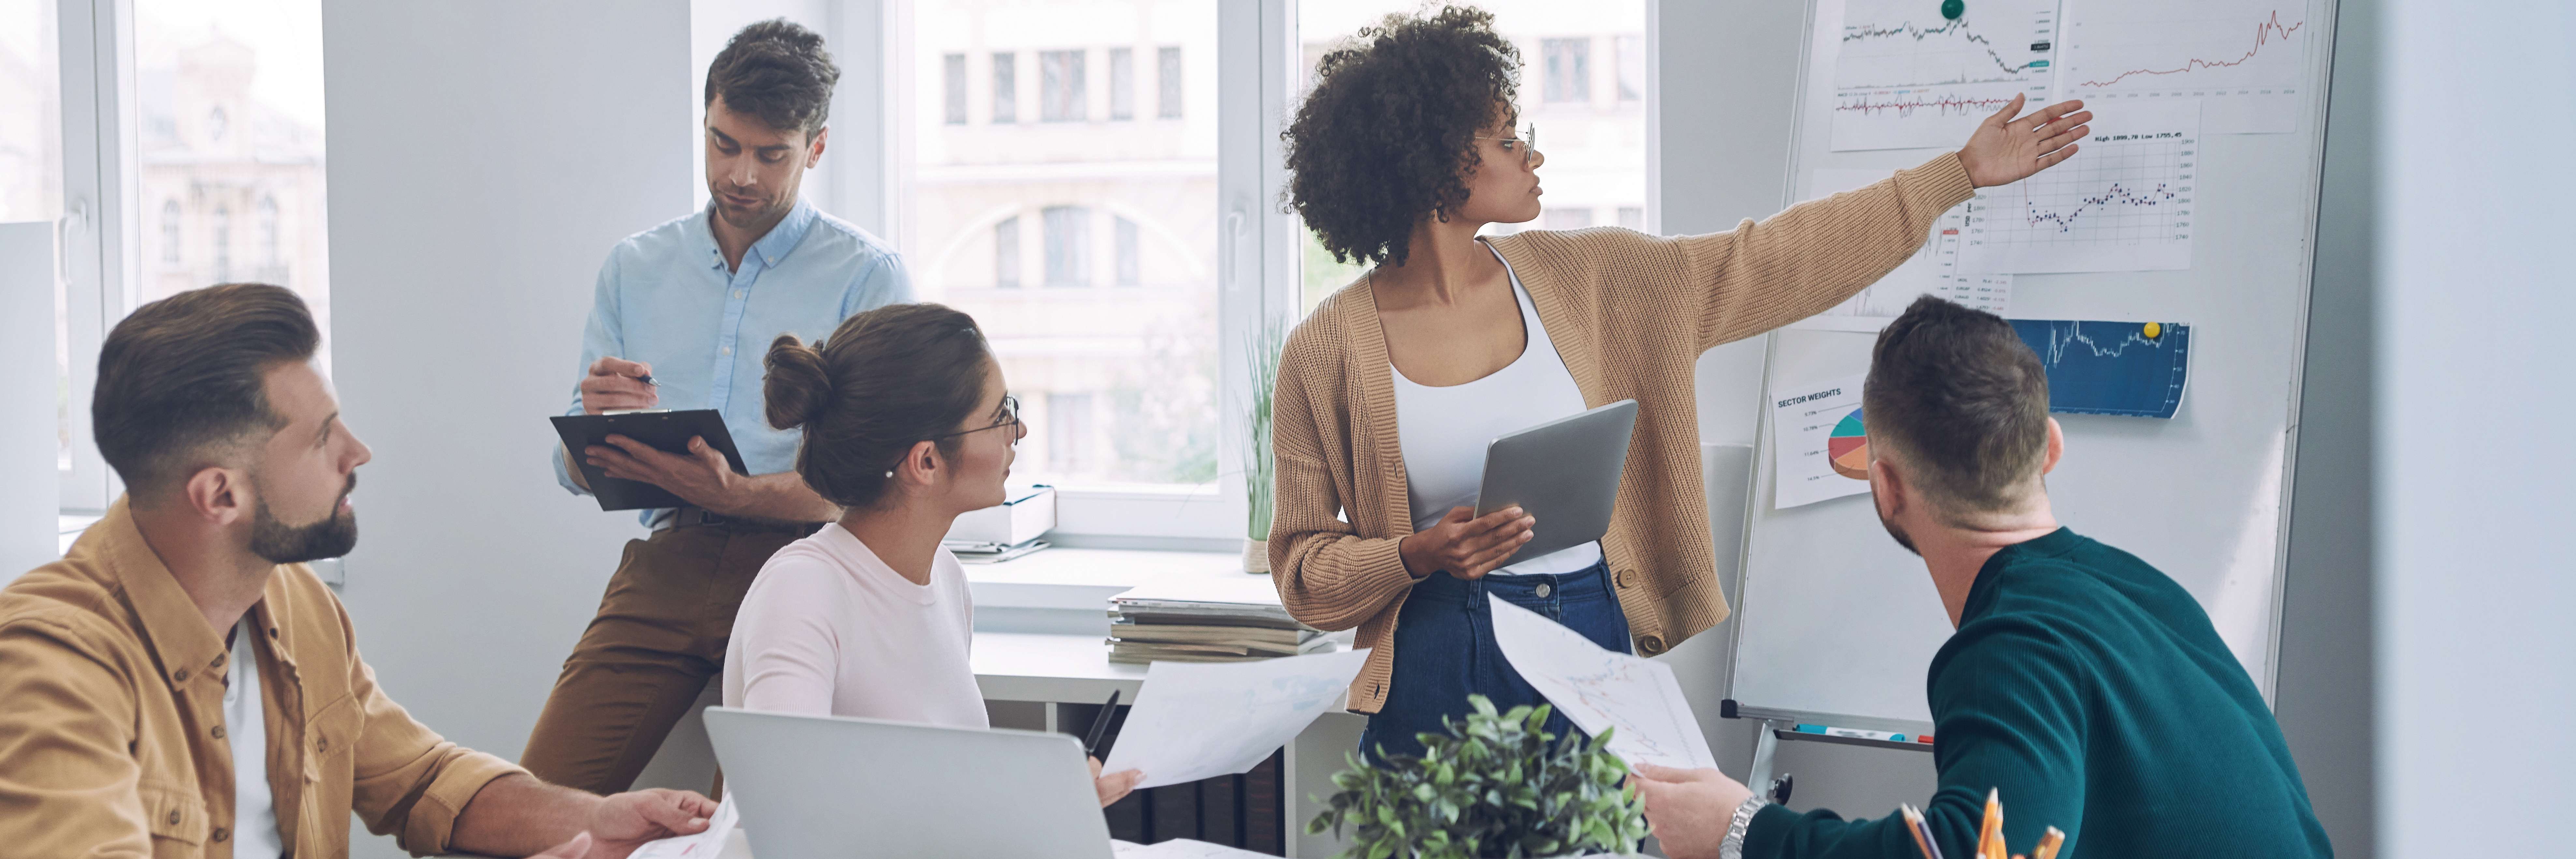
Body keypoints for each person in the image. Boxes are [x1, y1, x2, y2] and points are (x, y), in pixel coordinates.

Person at [1267, 6, 2089, 759]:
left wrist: (1954, 176)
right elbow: (1301, 568)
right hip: (1437, 653)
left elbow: (1774, 260)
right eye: (1507, 140)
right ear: (1436, 165)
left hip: (1587, 627)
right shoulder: (1325, 351)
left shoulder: (1593, 277)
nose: (1532, 155)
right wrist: (1413, 553)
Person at [0, 284, 714, 859]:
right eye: (321, 439)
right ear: (220, 495)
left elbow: (421, 780)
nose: (359, 451)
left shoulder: (290, 598)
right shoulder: (49, 667)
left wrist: (594, 819)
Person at [1631, 297, 2334, 859]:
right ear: (2049, 447)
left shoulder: (2011, 645)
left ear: (1884, 487)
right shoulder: (2142, 589)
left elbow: (1973, 851)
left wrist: (1743, 832)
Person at [523, 18, 916, 795]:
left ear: (817, 147)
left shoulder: (867, 277)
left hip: (806, 567)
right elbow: (570, 470)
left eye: (770, 155)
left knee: (761, 827)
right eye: (723, 144)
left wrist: (739, 494)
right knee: (529, 809)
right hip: (666, 563)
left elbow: (875, 480)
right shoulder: (636, 268)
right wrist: (590, 433)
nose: (741, 174)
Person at [721, 303, 1143, 808]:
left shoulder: (945, 578)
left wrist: (1042, 802)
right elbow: (785, 812)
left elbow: (936, 798)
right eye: (1001, 414)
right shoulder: (802, 592)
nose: (1019, 432)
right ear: (926, 462)